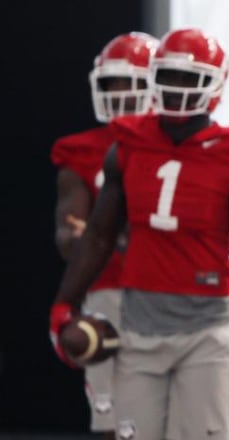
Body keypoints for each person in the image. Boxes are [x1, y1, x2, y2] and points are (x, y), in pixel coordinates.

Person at [48, 28, 229, 440]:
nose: (178, 88)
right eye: (169, 76)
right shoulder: (128, 145)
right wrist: (64, 304)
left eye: (188, 77)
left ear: (214, 84)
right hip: (140, 324)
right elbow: (99, 237)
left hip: (208, 329)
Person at [50, 31, 159, 439]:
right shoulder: (79, 150)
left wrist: (103, 232)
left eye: (131, 82)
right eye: (112, 82)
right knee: (111, 422)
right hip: (108, 292)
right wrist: (112, 236)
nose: (120, 92)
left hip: (174, 294)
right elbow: (68, 239)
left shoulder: (181, 148)